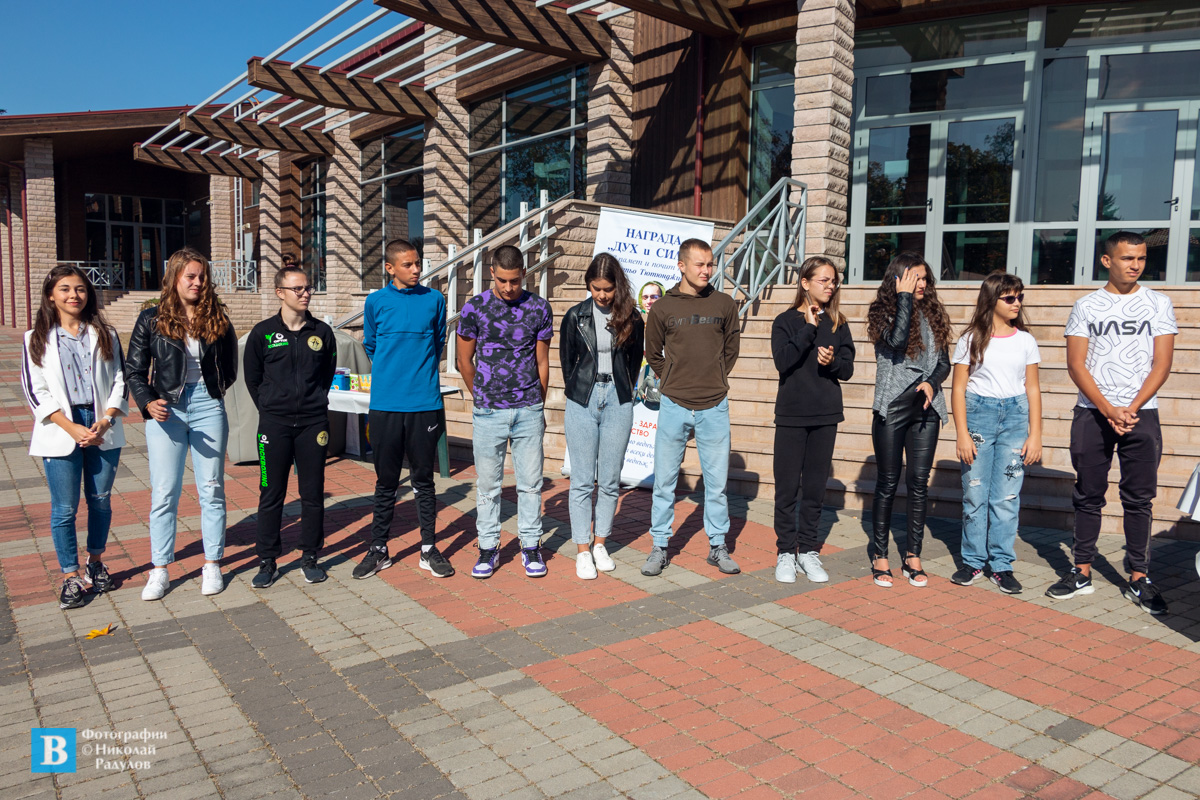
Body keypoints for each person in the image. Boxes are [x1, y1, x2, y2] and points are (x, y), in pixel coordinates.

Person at [1047, 231, 1176, 615]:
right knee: (1088, 494)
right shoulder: (1087, 305)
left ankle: (1139, 577)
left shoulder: (1158, 303)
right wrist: (1108, 409)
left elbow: (1162, 363)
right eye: (1126, 258)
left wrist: (1131, 408)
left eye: (1141, 258)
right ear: (1107, 261)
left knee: (1139, 499)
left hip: (1141, 413)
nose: (1135, 265)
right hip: (1092, 412)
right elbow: (1076, 364)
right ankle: (1081, 571)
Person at [127, 248, 238, 600]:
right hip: (167, 409)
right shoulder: (151, 319)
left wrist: (214, 392)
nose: (197, 282)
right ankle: (159, 569)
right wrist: (147, 401)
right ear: (174, 278)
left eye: (202, 276)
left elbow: (230, 365)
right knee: (164, 492)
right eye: (190, 276)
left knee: (211, 488)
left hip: (207, 405)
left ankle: (212, 564)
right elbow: (134, 370)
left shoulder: (217, 317)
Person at [20, 266, 128, 609]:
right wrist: (70, 427)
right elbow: (35, 391)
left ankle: (95, 562)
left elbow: (120, 379)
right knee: (65, 509)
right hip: (61, 427)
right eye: (65, 289)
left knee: (100, 500)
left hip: (101, 426)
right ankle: (70, 576)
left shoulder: (105, 334)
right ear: (51, 295)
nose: (73, 295)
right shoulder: (35, 338)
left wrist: (106, 421)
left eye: (80, 289)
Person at [353, 239, 453, 579]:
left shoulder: (434, 300)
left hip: (424, 403)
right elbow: (371, 344)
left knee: (424, 479)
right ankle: (379, 549)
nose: (416, 269)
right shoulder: (375, 301)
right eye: (408, 264)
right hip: (385, 405)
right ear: (390, 268)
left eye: (418, 263)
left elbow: (438, 342)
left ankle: (428, 548)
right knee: (386, 481)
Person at [641, 238, 741, 577]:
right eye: (700, 264)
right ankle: (659, 546)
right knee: (664, 482)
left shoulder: (724, 303)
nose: (707, 270)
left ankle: (718, 546)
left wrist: (715, 376)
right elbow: (653, 351)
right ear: (681, 266)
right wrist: (671, 378)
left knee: (717, 483)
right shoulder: (663, 307)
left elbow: (731, 349)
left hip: (714, 404)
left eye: (710, 264)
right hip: (674, 404)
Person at [456, 245, 553, 578]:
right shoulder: (474, 308)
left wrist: (537, 402)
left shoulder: (539, 307)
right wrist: (482, 397)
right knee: (488, 486)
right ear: (491, 273)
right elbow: (463, 360)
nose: (509, 288)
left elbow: (542, 361)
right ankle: (488, 548)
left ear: (524, 273)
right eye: (502, 281)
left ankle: (531, 546)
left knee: (531, 484)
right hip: (489, 413)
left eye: (514, 281)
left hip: (528, 409)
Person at [244, 265, 337, 588]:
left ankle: (309, 556)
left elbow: (326, 375)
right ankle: (267, 560)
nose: (305, 293)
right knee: (271, 492)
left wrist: (312, 402)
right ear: (280, 293)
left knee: (312, 493)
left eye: (308, 287)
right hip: (275, 425)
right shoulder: (263, 333)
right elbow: (252, 379)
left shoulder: (322, 332)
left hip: (313, 424)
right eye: (298, 289)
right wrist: (272, 408)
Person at [950, 271, 1042, 594]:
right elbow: (958, 388)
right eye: (1010, 298)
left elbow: (1033, 388)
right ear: (992, 300)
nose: (1017, 303)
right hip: (979, 416)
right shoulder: (970, 340)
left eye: (1020, 297)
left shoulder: (1026, 341)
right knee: (975, 493)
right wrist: (962, 433)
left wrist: (1035, 434)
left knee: (1006, 497)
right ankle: (973, 561)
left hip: (1015, 417)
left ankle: (1002, 565)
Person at [866, 252, 952, 588]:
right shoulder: (882, 313)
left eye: (925, 278)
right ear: (898, 279)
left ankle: (913, 555)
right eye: (915, 277)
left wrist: (932, 383)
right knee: (888, 483)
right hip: (893, 405)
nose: (922, 284)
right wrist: (903, 299)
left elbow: (944, 362)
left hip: (926, 406)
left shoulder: (934, 314)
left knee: (918, 483)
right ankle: (880, 554)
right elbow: (898, 341)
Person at [560, 253, 645, 580]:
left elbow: (634, 362)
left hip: (618, 399)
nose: (602, 295)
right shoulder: (575, 316)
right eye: (596, 288)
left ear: (617, 286)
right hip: (582, 398)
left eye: (608, 289)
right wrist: (580, 388)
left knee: (610, 480)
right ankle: (582, 550)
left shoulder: (632, 317)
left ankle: (600, 544)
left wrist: (623, 391)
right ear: (588, 285)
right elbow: (568, 361)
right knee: (582, 479)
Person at [770, 257, 855, 584]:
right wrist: (808, 327)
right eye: (823, 280)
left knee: (815, 488)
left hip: (825, 413)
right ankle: (785, 552)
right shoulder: (785, 321)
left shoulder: (838, 323)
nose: (830, 286)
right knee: (787, 488)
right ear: (805, 283)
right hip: (791, 414)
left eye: (833, 281)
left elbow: (848, 369)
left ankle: (807, 550)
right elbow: (783, 362)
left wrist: (832, 362)